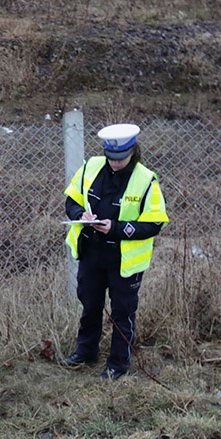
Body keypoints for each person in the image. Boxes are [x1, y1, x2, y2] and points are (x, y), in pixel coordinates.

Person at [61, 123, 169, 380]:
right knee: (89, 305)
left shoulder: (145, 180)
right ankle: (85, 352)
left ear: (133, 151)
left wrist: (117, 229)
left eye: (121, 158)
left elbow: (155, 222)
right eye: (111, 158)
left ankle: (118, 365)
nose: (115, 163)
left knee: (122, 313)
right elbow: (71, 199)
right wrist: (81, 214)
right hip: (91, 253)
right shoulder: (91, 167)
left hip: (124, 260)